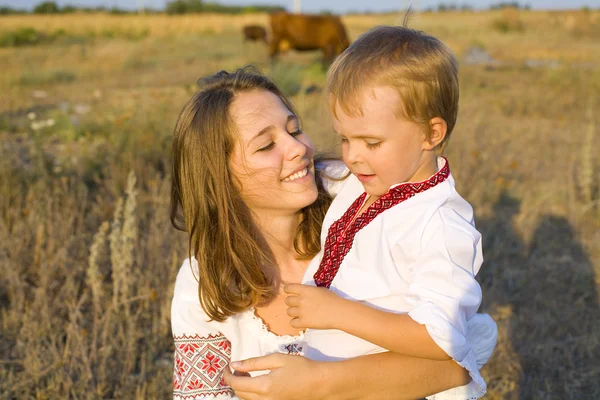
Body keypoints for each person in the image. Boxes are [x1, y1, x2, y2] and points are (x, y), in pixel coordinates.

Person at [170, 66, 496, 400]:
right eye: (267, 145)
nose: (299, 148)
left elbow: (456, 363)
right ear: (218, 179)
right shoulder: (204, 283)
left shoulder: (368, 201)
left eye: (295, 131)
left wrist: (320, 383)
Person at [278, 25, 497, 399]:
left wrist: (336, 312)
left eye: (371, 142)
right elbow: (311, 173)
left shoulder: (439, 225)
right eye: (344, 138)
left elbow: (438, 338)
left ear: (432, 134)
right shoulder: (365, 178)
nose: (351, 155)